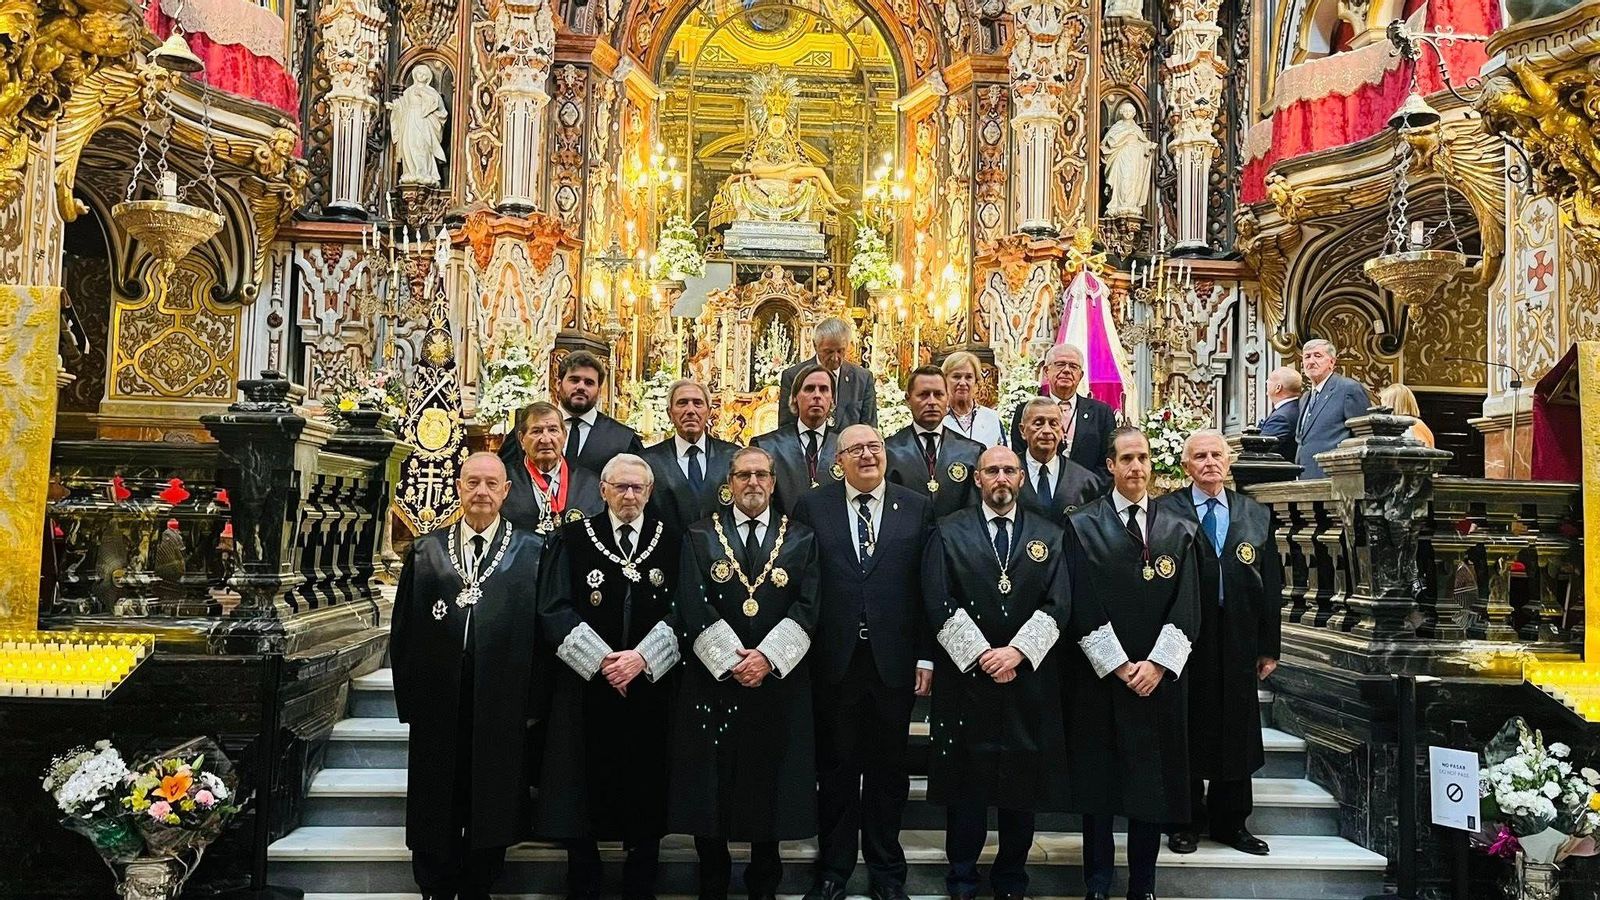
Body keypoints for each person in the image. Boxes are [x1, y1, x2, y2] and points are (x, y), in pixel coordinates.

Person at [390, 453, 547, 900]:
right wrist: (411, 704)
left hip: (502, 701)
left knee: (491, 800)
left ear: (505, 491)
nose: (481, 492)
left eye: (490, 483)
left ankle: (480, 885)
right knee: (435, 798)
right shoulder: (426, 551)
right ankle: (434, 887)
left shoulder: (532, 551)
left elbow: (542, 635)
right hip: (438, 702)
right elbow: (403, 632)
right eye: (472, 482)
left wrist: (534, 704)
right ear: (458, 487)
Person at [669, 446, 821, 900]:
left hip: (777, 683)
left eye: (761, 476)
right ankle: (712, 881)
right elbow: (691, 601)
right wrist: (732, 660)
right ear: (729, 483)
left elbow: (809, 606)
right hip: (714, 682)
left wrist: (767, 659)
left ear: (774, 483)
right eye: (743, 476)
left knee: (769, 784)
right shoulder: (698, 536)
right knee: (710, 784)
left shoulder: (802, 539)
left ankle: (764, 885)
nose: (752, 483)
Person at [791, 425, 935, 900]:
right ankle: (833, 869)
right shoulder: (813, 507)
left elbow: (926, 589)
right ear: (840, 460)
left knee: (888, 773)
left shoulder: (915, 507)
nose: (867, 455)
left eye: (874, 446)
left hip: (892, 663)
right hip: (833, 662)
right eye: (856, 449)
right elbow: (802, 584)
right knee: (834, 770)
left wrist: (926, 656)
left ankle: (887, 873)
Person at [923, 445, 1071, 900]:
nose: (1001, 477)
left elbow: (1059, 601)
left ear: (1022, 479)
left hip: (1027, 681)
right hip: (967, 681)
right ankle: (962, 876)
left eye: (1009, 470)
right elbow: (938, 598)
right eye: (992, 471)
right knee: (966, 787)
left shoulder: (1051, 534)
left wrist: (1018, 653)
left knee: (1020, 788)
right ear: (977, 479)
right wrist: (984, 654)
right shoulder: (948, 531)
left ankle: (1011, 878)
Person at [535, 454, 682, 900]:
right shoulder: (573, 539)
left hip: (652, 686)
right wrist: (603, 661)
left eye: (638, 488)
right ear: (603, 490)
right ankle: (584, 877)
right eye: (620, 487)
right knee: (579, 783)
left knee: (647, 779)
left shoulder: (673, 542)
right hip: (585, 689)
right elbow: (553, 607)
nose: (629, 495)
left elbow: (686, 610)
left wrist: (641, 659)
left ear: (650, 492)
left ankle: (642, 878)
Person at [1065, 426, 1202, 900]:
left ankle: (1143, 884)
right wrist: (1120, 664)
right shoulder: (1082, 525)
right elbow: (1078, 599)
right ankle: (1097, 883)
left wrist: (1158, 665)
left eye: (1142, 457)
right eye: (1126, 459)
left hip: (1157, 682)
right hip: (1102, 679)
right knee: (1099, 790)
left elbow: (1189, 604)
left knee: (1152, 789)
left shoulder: (1179, 527)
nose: (1136, 467)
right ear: (1110, 465)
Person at [1156, 431, 1282, 857]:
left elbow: (1271, 583)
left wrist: (1270, 645)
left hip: (1239, 634)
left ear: (1228, 462)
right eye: (1200, 456)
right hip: (1185, 632)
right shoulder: (1166, 510)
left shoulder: (1255, 513)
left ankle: (1232, 822)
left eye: (1216, 455)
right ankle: (1186, 820)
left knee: (1237, 726)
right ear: (1186, 464)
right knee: (1188, 721)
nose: (1209, 462)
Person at [1007, 343, 1118, 484]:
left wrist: (1089, 488)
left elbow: (1108, 462)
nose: (1066, 370)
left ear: (1081, 375)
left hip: (1089, 496)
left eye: (1073, 366)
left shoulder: (1101, 413)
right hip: (1039, 492)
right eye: (1060, 364)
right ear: (1046, 371)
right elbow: (1020, 458)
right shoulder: (1026, 410)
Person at [885, 366, 984, 518]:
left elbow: (976, 510)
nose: (932, 402)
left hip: (956, 538)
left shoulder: (971, 451)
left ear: (948, 398)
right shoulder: (890, 451)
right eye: (923, 395)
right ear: (908, 399)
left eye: (938, 394)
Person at [642, 379, 740, 533]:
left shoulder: (733, 457)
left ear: (709, 411)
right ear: (670, 413)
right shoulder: (648, 461)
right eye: (682, 403)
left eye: (697, 403)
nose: (690, 410)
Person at [752, 363, 843, 514]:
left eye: (824, 389)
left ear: (832, 400)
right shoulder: (767, 446)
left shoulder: (845, 445)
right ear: (794, 397)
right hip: (785, 533)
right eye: (809, 389)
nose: (817, 395)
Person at [502, 402, 604, 534]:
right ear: (522, 439)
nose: (545, 439)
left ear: (564, 436)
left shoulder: (591, 484)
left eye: (553, 430)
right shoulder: (504, 481)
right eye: (536, 431)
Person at [779, 317, 877, 429]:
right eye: (828, 352)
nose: (835, 358)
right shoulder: (793, 376)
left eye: (840, 351)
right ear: (815, 346)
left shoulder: (862, 379)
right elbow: (786, 428)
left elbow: (869, 427)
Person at [1016, 398, 1102, 526]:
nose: (1046, 430)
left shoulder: (1085, 481)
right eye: (1038, 423)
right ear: (1023, 430)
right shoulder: (1007, 474)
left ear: (1061, 430)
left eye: (1053, 423)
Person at [557, 350, 646, 474]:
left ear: (599, 391)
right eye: (574, 380)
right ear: (558, 384)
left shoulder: (623, 439)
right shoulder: (533, 430)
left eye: (589, 383)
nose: (581, 387)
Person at [1294, 339, 1370, 478]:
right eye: (1307, 357)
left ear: (1332, 362)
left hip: (1336, 478)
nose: (1311, 361)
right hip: (1306, 477)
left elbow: (1363, 436)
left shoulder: (1348, 389)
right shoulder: (1305, 397)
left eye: (1317, 356)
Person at [941, 351, 1005, 447]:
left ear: (976, 381)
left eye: (968, 377)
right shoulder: (938, 418)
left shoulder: (991, 418)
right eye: (956, 376)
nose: (962, 382)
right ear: (944, 380)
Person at [1257, 366, 1303, 464]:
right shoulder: (1297, 408)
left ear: (1278, 388)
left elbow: (1259, 450)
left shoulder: (1281, 418)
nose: (1266, 382)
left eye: (1269, 380)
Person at [1379, 382, 1436, 448]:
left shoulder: (1406, 427)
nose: (1381, 408)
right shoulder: (1420, 424)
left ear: (1392, 405)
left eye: (1383, 403)